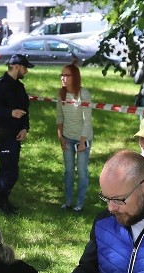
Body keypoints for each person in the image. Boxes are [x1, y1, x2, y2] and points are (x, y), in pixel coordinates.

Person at [0, 54, 33, 215]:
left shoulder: (20, 87)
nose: (26, 71)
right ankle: (0, 204)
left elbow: (26, 110)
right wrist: (10, 112)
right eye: (25, 68)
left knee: (12, 170)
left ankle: (4, 201)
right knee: (8, 169)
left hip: (16, 134)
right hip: (4, 133)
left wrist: (25, 128)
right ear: (17, 67)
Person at [56, 63, 93, 212]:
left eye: (66, 75)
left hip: (83, 138)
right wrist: (61, 137)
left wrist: (83, 141)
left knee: (82, 171)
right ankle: (68, 201)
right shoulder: (60, 94)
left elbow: (87, 120)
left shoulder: (84, 94)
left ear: (75, 77)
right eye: (62, 75)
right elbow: (59, 117)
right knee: (69, 171)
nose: (63, 78)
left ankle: (80, 203)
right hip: (67, 137)